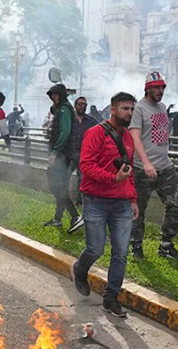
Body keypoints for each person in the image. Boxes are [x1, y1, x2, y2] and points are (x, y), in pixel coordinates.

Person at [70, 92, 139, 318]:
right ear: (113, 109)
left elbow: (130, 172)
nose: (129, 113)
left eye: (131, 109)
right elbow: (86, 166)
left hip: (122, 204)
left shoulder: (128, 138)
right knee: (96, 249)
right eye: (125, 108)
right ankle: (80, 269)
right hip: (96, 200)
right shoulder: (96, 133)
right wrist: (112, 179)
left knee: (120, 253)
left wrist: (133, 199)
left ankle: (111, 298)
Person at [129, 71, 178, 260]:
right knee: (138, 209)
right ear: (147, 89)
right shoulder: (139, 109)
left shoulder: (162, 107)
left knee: (175, 203)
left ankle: (166, 245)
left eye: (162, 87)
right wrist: (145, 162)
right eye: (156, 87)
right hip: (142, 168)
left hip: (165, 166)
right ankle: (136, 245)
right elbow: (135, 136)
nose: (160, 90)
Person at [43, 83, 84, 233]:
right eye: (51, 95)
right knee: (60, 188)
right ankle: (57, 219)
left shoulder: (65, 109)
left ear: (60, 94)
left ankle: (74, 216)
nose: (52, 97)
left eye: (54, 94)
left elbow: (65, 132)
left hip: (62, 155)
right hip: (62, 154)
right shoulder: (61, 109)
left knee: (57, 187)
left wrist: (55, 152)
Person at [71, 95, 99, 198]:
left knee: (82, 178)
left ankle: (79, 199)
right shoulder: (69, 119)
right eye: (80, 104)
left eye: (84, 105)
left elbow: (101, 131)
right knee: (64, 176)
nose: (82, 106)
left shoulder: (91, 121)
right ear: (75, 105)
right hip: (69, 152)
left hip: (84, 154)